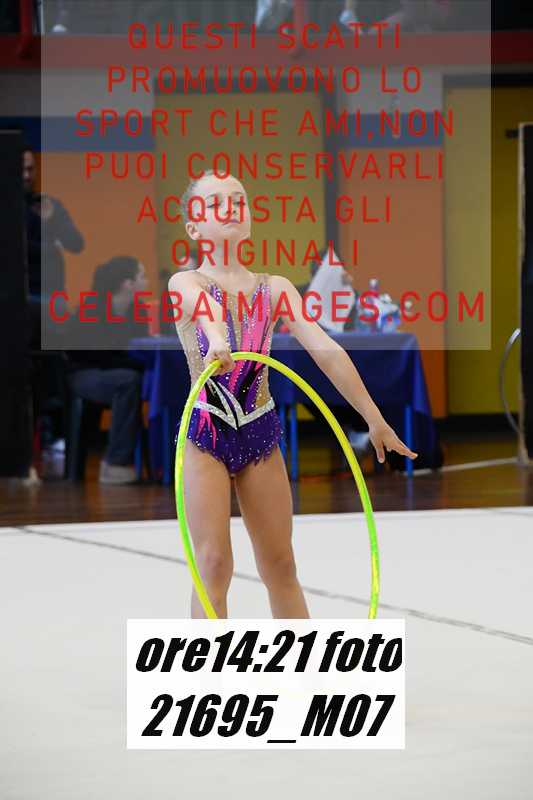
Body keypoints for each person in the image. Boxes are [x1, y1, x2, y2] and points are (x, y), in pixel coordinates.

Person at [169, 171, 417, 619]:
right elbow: (206, 311)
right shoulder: (185, 282)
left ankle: (301, 662)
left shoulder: (276, 288)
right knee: (213, 565)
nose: (230, 208)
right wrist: (217, 338)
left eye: (238, 200)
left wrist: (373, 417)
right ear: (193, 226)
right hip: (206, 432)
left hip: (259, 431)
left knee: (280, 564)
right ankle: (208, 664)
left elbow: (328, 353)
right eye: (216, 203)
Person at [66, 256, 149, 484]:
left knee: (145, 378)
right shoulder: (92, 308)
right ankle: (115, 464)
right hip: (84, 373)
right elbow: (92, 355)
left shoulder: (138, 310)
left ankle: (165, 464)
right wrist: (130, 363)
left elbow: (136, 349)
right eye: (142, 276)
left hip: (115, 370)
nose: (147, 281)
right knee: (128, 380)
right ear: (127, 283)